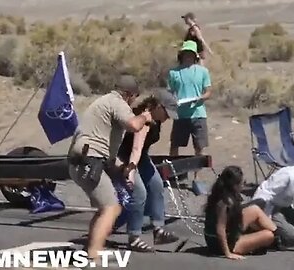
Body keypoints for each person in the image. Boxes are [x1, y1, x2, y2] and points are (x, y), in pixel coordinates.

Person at [67, 74, 153, 262]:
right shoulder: (117, 102)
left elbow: (105, 150)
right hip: (90, 161)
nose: (133, 102)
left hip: (84, 160)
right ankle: (94, 253)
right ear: (129, 94)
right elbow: (133, 125)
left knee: (104, 208)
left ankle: (92, 247)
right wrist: (144, 116)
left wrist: (122, 168)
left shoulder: (103, 102)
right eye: (134, 98)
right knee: (111, 208)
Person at [116, 90, 181, 252]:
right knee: (139, 193)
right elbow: (136, 148)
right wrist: (130, 170)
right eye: (167, 113)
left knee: (156, 185)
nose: (168, 118)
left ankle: (158, 230)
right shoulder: (143, 119)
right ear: (158, 106)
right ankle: (134, 237)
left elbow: (141, 150)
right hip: (125, 156)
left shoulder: (157, 121)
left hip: (141, 156)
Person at [204, 166, 277, 260]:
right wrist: (228, 253)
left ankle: (278, 235)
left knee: (254, 209)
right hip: (220, 245)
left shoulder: (223, 193)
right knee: (268, 235)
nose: (243, 186)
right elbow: (220, 230)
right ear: (234, 186)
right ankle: (274, 238)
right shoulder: (225, 202)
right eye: (242, 183)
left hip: (229, 231)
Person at [168, 40, 212, 159]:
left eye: (190, 53)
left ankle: (197, 174)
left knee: (199, 147)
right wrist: (173, 101)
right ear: (181, 55)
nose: (188, 56)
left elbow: (208, 91)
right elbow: (170, 92)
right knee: (175, 145)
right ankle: (174, 172)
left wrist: (201, 98)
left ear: (195, 55)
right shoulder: (173, 73)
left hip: (198, 114)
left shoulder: (203, 72)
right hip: (180, 114)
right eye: (186, 53)